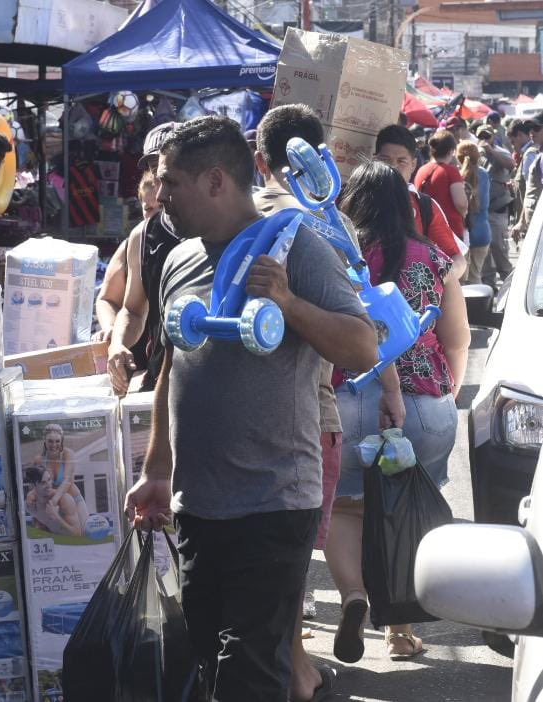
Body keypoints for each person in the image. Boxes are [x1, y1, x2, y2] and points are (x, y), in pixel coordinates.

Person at [124, 116, 377, 701]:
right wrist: (156, 469)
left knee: (248, 674)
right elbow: (171, 367)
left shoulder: (296, 246)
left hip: (272, 503)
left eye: (170, 183)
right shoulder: (178, 259)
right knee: (215, 665)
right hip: (198, 506)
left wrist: (287, 303)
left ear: (215, 181)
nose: (159, 197)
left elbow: (362, 346)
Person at [327, 161, 470, 663]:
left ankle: (353, 597)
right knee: (404, 512)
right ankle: (400, 631)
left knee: (346, 507)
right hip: (423, 401)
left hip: (347, 398)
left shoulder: (336, 257)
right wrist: (444, 392)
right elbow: (458, 338)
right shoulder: (433, 257)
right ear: (406, 207)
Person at [252, 103, 349, 702]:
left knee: (268, 578)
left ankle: (296, 673)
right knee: (285, 574)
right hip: (313, 423)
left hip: (235, 433)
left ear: (258, 160)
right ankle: (299, 677)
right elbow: (363, 344)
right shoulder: (325, 228)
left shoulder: (219, 228)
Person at [106, 122, 182, 395]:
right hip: (159, 383)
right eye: (154, 167)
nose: (160, 176)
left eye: (168, 165)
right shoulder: (143, 234)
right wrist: (118, 343)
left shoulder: (216, 227)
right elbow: (133, 309)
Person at [374, 125, 468, 279]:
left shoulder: (425, 206)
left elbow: (457, 259)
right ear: (375, 159)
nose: (393, 167)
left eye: (401, 161)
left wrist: (438, 281)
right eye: (385, 160)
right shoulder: (354, 197)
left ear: (413, 165)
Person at [93, 170, 160, 373]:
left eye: (162, 207)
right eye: (149, 209)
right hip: (134, 353)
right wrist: (113, 330)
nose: (156, 216)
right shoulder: (134, 243)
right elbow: (107, 299)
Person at [476, 127, 516, 287]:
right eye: (482, 136)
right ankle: (489, 288)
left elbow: (511, 164)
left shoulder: (499, 151)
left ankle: (510, 286)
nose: (485, 139)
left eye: (488, 136)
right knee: (485, 259)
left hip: (497, 209)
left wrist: (491, 151)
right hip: (482, 212)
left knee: (500, 251)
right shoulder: (476, 153)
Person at [414, 129, 469, 246]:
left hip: (425, 230)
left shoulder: (421, 170)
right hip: (450, 231)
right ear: (451, 151)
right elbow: (461, 204)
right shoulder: (451, 172)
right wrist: (465, 213)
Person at [33, 424, 89, 530]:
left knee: (86, 530)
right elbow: (36, 485)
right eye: (50, 441)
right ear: (44, 440)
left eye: (57, 441)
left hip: (72, 499)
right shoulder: (39, 460)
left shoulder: (68, 454)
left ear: (61, 440)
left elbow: (67, 480)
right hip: (48, 503)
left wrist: (54, 501)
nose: (54, 445)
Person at [457, 141, 492, 284]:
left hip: (462, 233)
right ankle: (479, 306)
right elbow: (485, 204)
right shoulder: (484, 174)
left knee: (461, 281)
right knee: (476, 276)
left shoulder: (456, 175)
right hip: (482, 231)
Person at [23, 465, 84, 537]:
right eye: (43, 483)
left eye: (49, 480)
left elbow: (78, 534)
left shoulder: (64, 501)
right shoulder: (30, 506)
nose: (48, 485)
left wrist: (57, 518)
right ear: (33, 486)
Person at [512, 119, 543, 245]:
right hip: (536, 224)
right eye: (530, 129)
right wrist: (522, 222)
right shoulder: (539, 155)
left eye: (536, 128)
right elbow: (531, 192)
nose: (531, 132)